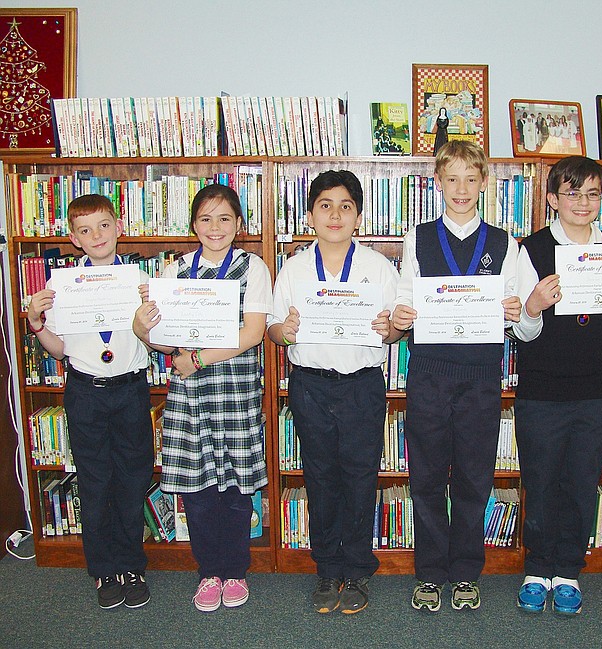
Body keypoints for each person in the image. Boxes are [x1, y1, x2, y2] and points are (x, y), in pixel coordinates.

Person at [512, 156, 602, 615]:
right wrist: (533, 306)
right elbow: (521, 331)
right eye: (572, 193)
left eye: (592, 193)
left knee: (580, 485)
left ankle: (569, 571)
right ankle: (537, 570)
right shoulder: (529, 250)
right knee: (539, 482)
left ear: (601, 200)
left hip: (593, 392)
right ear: (553, 199)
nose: (582, 202)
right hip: (540, 391)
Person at [392, 140, 522, 612]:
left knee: (473, 477)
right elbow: (405, 291)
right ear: (438, 183)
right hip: (428, 372)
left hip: (481, 375)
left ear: (484, 183)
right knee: (425, 476)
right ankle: (430, 571)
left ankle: (465, 571)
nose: (461, 188)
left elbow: (518, 306)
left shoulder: (504, 242)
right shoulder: (418, 237)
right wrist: (402, 313)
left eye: (471, 178)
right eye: (452, 179)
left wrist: (514, 308)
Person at [133, 184, 272, 613]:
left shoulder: (254, 267)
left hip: (235, 390)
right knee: (198, 489)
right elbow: (157, 339)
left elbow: (253, 333)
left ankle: (235, 571)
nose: (216, 227)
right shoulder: (175, 273)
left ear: (239, 224)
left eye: (225, 218)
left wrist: (197, 357)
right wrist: (143, 324)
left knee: (233, 487)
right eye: (206, 218)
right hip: (190, 396)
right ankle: (208, 572)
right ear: (193, 224)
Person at [268, 170, 401, 614]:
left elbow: (397, 329)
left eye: (346, 206)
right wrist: (283, 332)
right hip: (310, 386)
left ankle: (358, 570)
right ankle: (327, 568)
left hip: (362, 385)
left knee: (361, 478)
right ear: (310, 216)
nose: (335, 214)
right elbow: (271, 328)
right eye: (325, 205)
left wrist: (391, 329)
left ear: (359, 216)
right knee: (320, 478)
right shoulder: (293, 268)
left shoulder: (380, 268)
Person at [27, 194, 154, 610]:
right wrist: (36, 324)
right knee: (96, 483)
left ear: (119, 227)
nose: (96, 235)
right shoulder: (60, 286)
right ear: (74, 239)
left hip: (131, 390)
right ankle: (103, 569)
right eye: (85, 230)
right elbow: (59, 349)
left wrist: (151, 308)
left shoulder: (142, 281)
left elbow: (157, 338)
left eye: (103, 226)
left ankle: (131, 565)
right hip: (86, 391)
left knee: (132, 480)